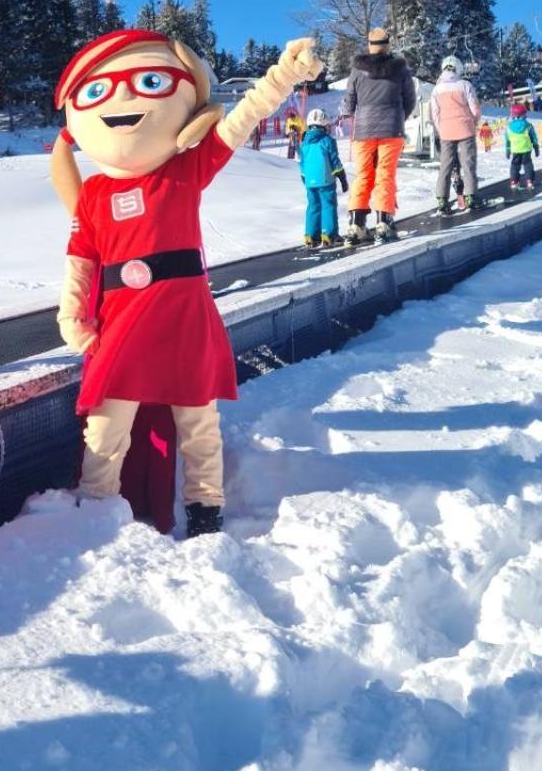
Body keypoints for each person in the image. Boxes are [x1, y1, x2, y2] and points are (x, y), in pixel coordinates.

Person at [52, 28, 322, 538]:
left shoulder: (184, 169)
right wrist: (72, 313)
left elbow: (241, 121)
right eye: (100, 90)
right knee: (106, 425)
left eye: (147, 82)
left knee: (199, 425)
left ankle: (205, 509)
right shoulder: (93, 194)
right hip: (122, 325)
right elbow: (81, 259)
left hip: (185, 319)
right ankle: (97, 509)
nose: (125, 100)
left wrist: (284, 74)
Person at [340, 27, 416, 244]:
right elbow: (410, 99)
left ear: (369, 46)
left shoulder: (357, 70)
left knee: (363, 174)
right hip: (391, 128)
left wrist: (352, 115)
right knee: (385, 173)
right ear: (388, 45)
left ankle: (357, 224)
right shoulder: (400, 69)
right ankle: (383, 223)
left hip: (363, 130)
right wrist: (399, 116)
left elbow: (349, 100)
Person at [430, 54, 481, 215]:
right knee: (468, 163)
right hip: (465, 128)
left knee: (445, 165)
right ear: (458, 68)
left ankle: (442, 200)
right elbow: (475, 107)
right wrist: (474, 121)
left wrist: (441, 128)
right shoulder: (465, 84)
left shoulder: (437, 89)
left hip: (446, 130)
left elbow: (435, 113)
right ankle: (471, 196)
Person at [298, 106, 347, 246]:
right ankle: (328, 234)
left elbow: (302, 163)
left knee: (313, 206)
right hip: (326, 180)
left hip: (309, 182)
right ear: (323, 125)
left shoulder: (304, 142)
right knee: (328, 205)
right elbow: (334, 161)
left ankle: (311, 236)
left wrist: (304, 176)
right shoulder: (327, 140)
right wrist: (342, 177)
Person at [505, 103, 539, 191]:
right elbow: (533, 137)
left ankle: (514, 181)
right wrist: (536, 147)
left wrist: (508, 150)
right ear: (522, 115)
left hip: (515, 150)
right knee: (528, 165)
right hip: (526, 149)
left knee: (515, 166)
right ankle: (529, 181)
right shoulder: (528, 125)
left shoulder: (509, 127)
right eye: (525, 114)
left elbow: (507, 139)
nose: (526, 115)